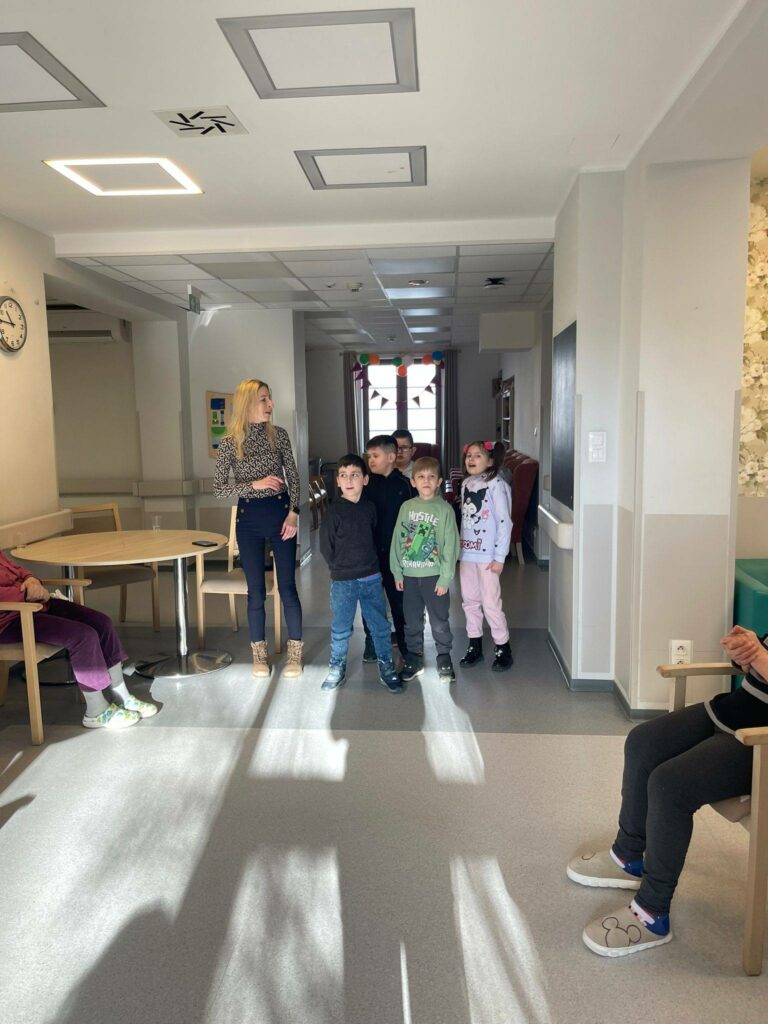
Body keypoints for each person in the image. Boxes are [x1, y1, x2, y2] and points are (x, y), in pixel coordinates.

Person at [567, 624, 768, 958]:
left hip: (760, 741)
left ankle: (652, 912)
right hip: (734, 711)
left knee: (670, 784)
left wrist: (759, 655)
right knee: (643, 742)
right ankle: (628, 856)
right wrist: (745, 656)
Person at [0, 551, 157, 730]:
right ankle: (96, 711)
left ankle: (122, 695)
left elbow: (17, 570)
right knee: (82, 636)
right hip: (10, 620)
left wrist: (32, 580)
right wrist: (28, 594)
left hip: (36, 603)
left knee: (102, 623)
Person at [213, 378, 303, 679]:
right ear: (248, 403)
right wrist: (255, 484)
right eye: (264, 399)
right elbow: (218, 489)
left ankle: (294, 655)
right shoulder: (230, 442)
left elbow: (293, 476)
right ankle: (259, 657)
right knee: (255, 592)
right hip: (249, 519)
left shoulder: (279, 435)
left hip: (281, 517)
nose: (270, 404)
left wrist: (294, 513)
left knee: (287, 588)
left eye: (269, 398)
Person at [319, 455, 402, 694]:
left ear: (365, 480)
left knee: (379, 625)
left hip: (370, 578)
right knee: (341, 627)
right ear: (337, 481)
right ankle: (337, 667)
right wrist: (340, 568)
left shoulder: (369, 508)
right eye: (343, 475)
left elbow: (374, 536)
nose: (349, 480)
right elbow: (326, 546)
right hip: (343, 580)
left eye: (355, 475)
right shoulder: (333, 511)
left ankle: (386, 665)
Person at [390, 457, 459, 684]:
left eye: (431, 477)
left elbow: (451, 544)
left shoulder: (445, 509)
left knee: (439, 620)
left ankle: (444, 657)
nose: (426, 481)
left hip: (434, 577)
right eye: (421, 476)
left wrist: (445, 577)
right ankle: (414, 657)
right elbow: (398, 540)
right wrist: (397, 571)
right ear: (413, 481)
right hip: (410, 576)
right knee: (412, 620)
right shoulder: (407, 507)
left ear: (439, 481)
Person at [458, 441, 513, 671]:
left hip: (488, 557)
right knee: (470, 601)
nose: (471, 459)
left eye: (477, 455)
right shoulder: (466, 483)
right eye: (469, 455)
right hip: (467, 555)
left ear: (490, 460)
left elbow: (504, 522)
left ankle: (503, 646)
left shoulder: (497, 485)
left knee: (491, 603)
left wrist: (499, 557)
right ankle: (474, 645)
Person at [361, 434, 413, 663]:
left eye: (376, 455)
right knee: (371, 602)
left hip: (397, 557)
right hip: (371, 555)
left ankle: (405, 643)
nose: (371, 460)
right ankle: (371, 640)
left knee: (399, 603)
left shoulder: (405, 485)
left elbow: (412, 522)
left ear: (391, 457)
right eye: (369, 456)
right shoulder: (366, 484)